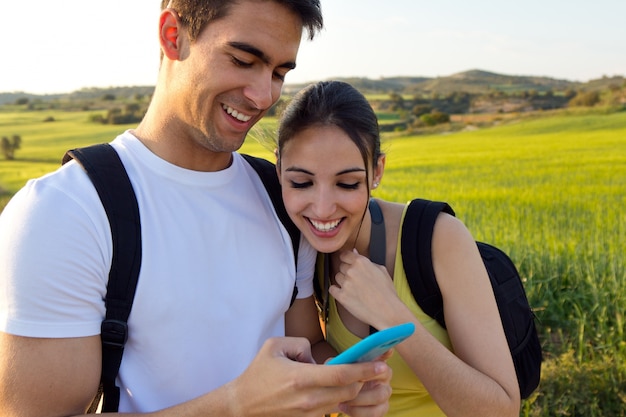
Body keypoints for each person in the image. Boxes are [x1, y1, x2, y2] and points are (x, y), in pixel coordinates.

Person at [0, 2, 393, 417]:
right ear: (173, 35)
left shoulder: (281, 196)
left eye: (280, 73)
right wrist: (237, 404)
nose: (264, 97)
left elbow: (306, 346)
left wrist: (341, 383)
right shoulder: (66, 212)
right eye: (243, 60)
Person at [275, 80, 521, 417]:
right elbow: (312, 346)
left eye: (347, 184)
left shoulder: (437, 239)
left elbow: (501, 410)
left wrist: (393, 317)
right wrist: (345, 380)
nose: (322, 209)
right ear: (278, 169)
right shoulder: (302, 243)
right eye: (301, 183)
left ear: (376, 170)